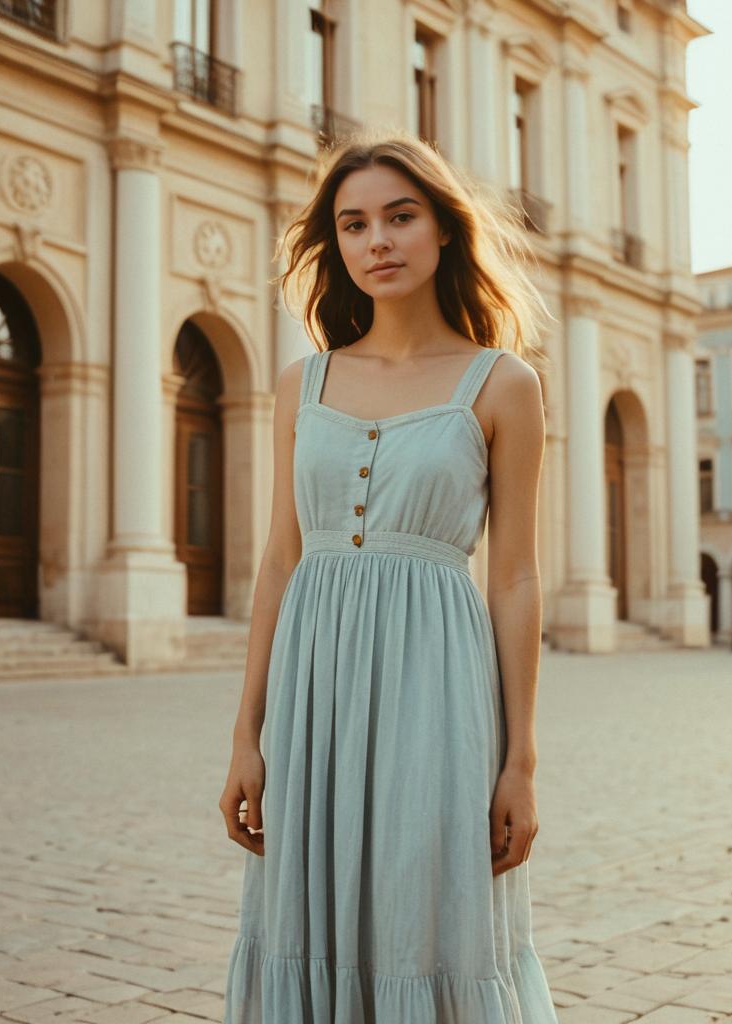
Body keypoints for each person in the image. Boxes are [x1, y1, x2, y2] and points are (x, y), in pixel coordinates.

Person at [217, 128, 559, 1022]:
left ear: (444, 229)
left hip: (440, 696)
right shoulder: (304, 381)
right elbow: (281, 562)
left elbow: (515, 578)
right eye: (354, 223)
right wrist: (246, 734)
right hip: (313, 694)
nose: (377, 241)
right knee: (309, 916)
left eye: (400, 217)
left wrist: (520, 760)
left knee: (430, 917)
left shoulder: (503, 385)